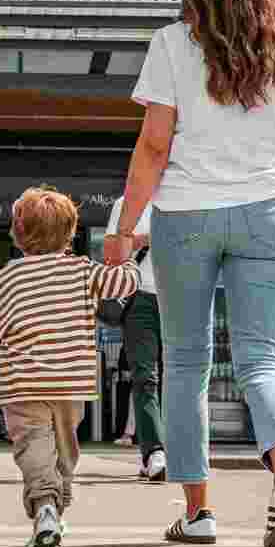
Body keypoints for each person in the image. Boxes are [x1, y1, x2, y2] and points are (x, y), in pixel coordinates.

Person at [102, 0, 275, 547]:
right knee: (258, 360)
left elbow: (153, 147)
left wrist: (123, 230)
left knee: (188, 362)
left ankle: (198, 512)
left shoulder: (172, 45)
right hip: (268, 216)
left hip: (187, 219)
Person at [0, 187, 139, 547]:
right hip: (72, 383)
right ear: (70, 234)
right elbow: (126, 283)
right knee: (64, 447)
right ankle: (56, 506)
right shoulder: (83, 271)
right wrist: (129, 257)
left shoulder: (6, 278)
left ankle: (45, 507)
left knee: (33, 449)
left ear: (17, 232)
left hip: (23, 383)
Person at [108, 196, 167, 481]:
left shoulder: (189, 195)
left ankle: (174, 450)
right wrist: (143, 239)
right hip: (140, 296)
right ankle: (154, 451)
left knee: (183, 376)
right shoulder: (127, 203)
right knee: (146, 376)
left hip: (181, 295)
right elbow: (112, 255)